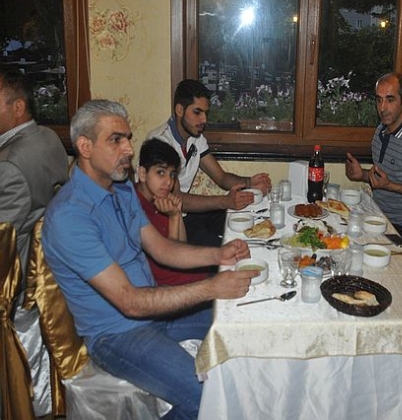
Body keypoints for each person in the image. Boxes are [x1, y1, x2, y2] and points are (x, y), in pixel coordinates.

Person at [42, 100, 255, 420]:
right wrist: (212, 287)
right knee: (206, 397)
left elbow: (162, 249)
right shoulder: (70, 216)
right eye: (116, 140)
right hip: (118, 335)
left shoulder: (122, 189)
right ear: (85, 147)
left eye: (128, 138)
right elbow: (130, 302)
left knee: (243, 324)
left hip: (156, 311)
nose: (129, 149)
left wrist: (219, 254)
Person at [0, 66, 68, 415]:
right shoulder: (48, 138)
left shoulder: (9, 163)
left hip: (18, 285)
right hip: (51, 271)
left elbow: (3, 239)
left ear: (18, 107)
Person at [147, 79, 271, 247]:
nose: (204, 119)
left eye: (205, 113)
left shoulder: (195, 137)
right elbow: (176, 198)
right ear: (179, 110)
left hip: (187, 214)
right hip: (167, 222)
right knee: (228, 247)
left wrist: (250, 182)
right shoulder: (160, 143)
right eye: (197, 112)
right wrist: (224, 201)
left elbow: (221, 178)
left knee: (245, 220)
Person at [345, 72, 402, 242]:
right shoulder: (380, 131)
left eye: (390, 100)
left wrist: (390, 186)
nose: (382, 108)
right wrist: (361, 174)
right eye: (379, 100)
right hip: (377, 215)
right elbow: (383, 179)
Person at [135, 137, 209, 286]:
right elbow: (171, 260)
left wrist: (177, 213)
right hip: (171, 287)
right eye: (161, 173)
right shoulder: (134, 205)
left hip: (190, 275)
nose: (168, 182)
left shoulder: (160, 199)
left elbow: (182, 246)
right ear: (142, 174)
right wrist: (174, 217)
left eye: (172, 175)